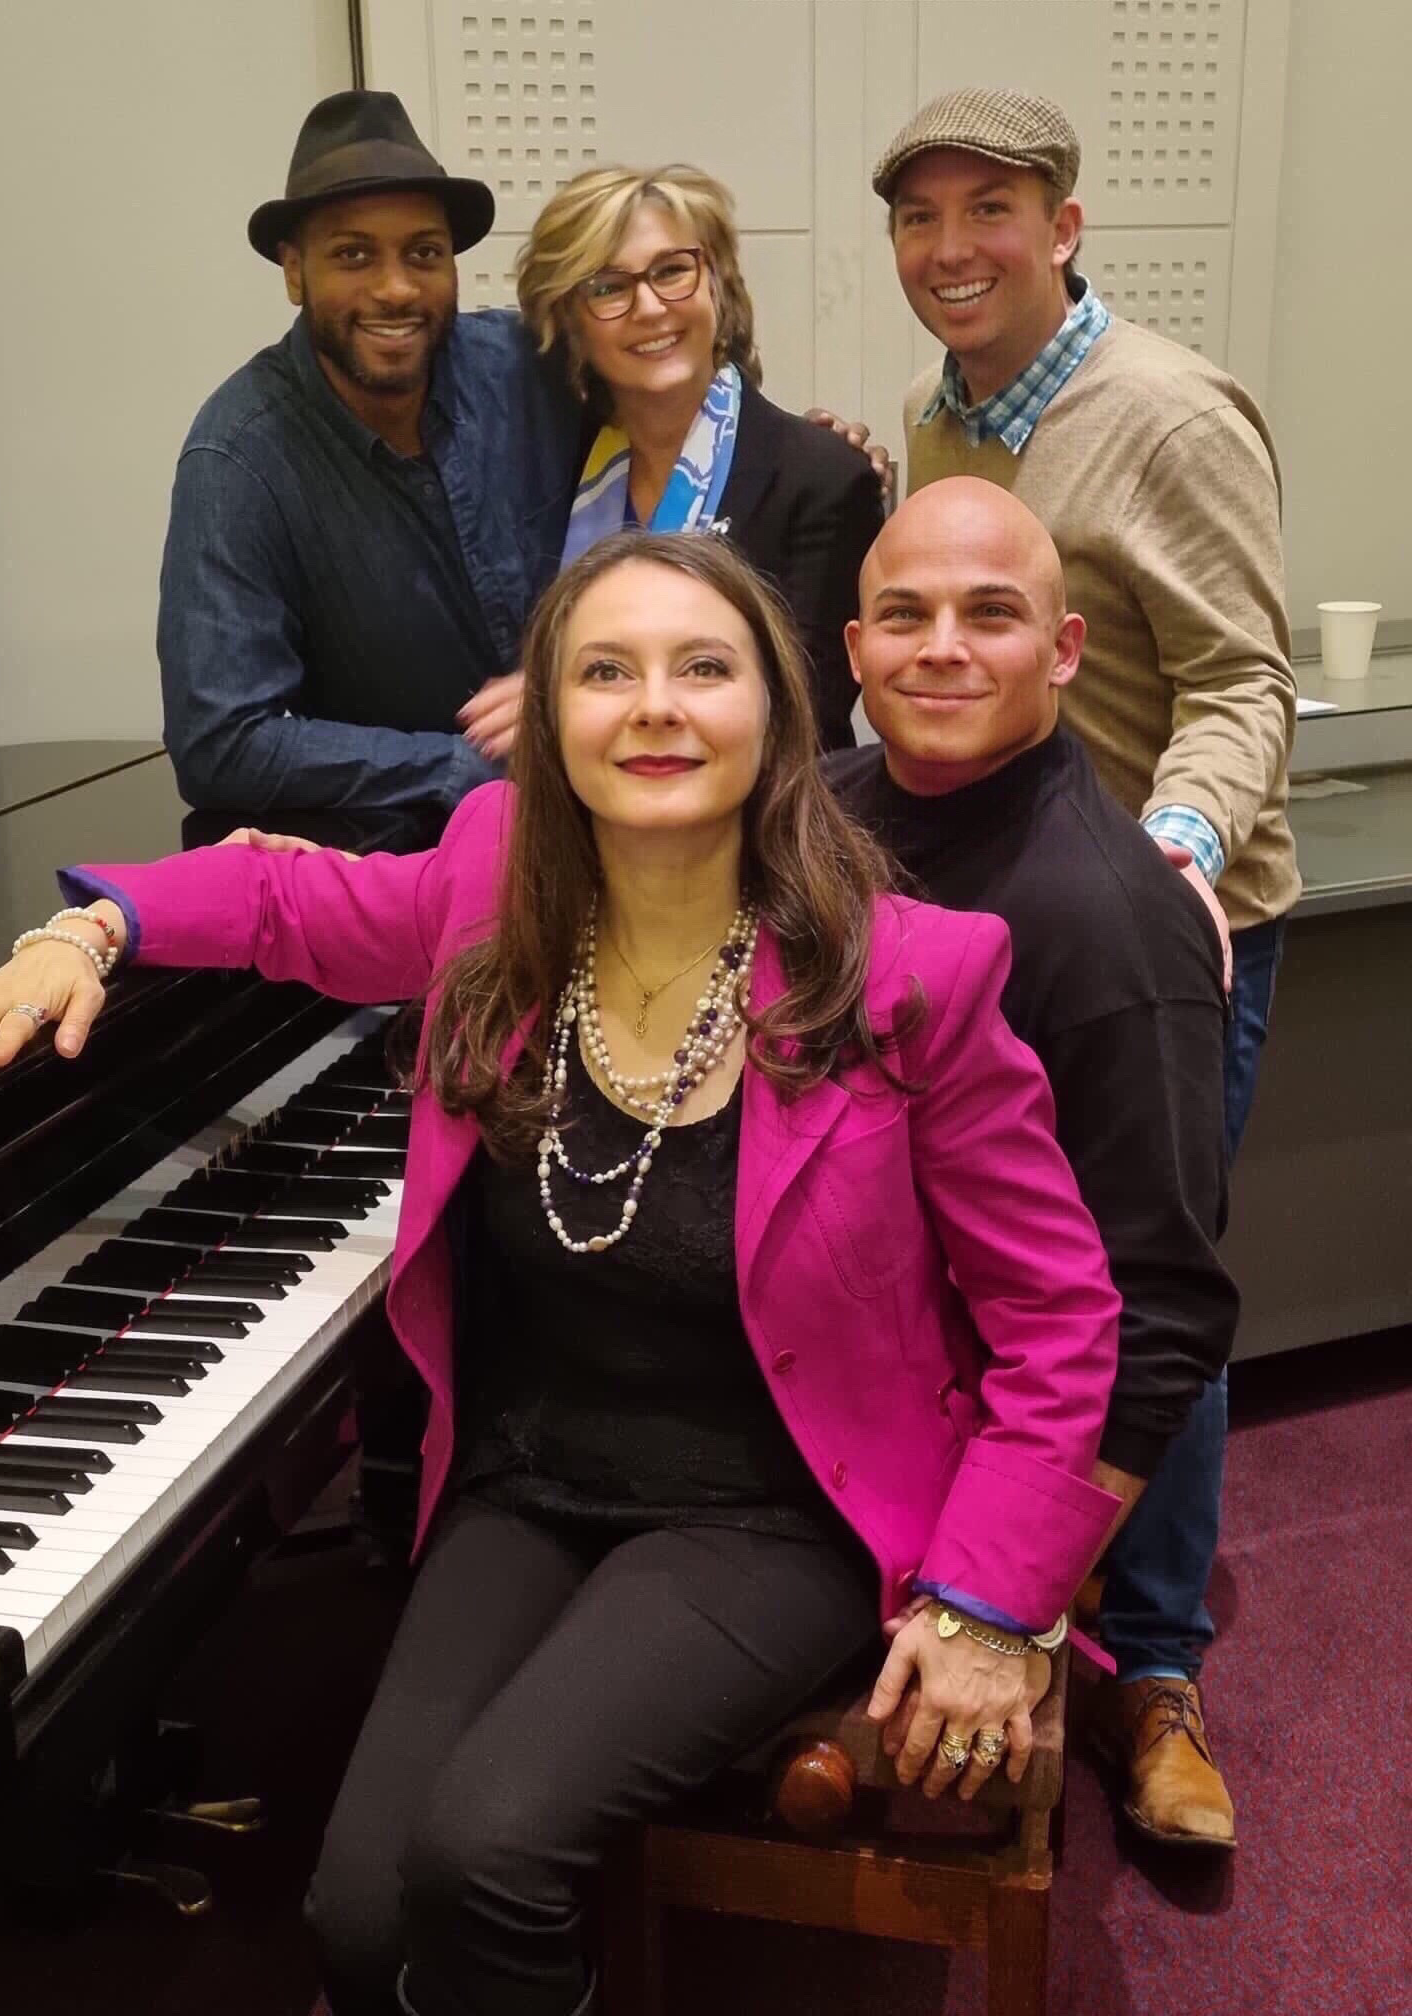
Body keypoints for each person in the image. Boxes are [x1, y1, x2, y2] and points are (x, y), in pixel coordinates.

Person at [0, 532, 1121, 2016]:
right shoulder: (490, 884)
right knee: (358, 1918)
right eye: (606, 671)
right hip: (532, 1477)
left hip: (774, 1506)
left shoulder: (915, 973)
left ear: (780, 717)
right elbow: (289, 907)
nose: (655, 707)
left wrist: (994, 1602)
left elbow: (1059, 1313)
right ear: (548, 720)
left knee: (486, 1857)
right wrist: (90, 929)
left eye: (703, 668)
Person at [858, 84, 1300, 1843]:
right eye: (919, 219)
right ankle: (1003, 1593)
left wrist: (1170, 855)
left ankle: (1161, 1675)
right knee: (1013, 1294)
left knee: (1139, 1298)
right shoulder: (938, 411)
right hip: (995, 924)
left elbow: (1243, 681)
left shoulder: (1168, 413)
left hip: (1157, 935)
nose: (950, 249)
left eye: (990, 211)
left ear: (1064, 225)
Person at [830, 477, 1240, 1846]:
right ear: (853, 651)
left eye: (990, 614)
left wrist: (1004, 1598)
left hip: (966, 1445)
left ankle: (1152, 1677)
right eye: (907, 615)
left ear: (1064, 652)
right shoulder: (809, 817)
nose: (942, 645)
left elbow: (1165, 1315)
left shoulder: (1119, 922)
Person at [157, 88, 581, 822]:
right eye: (354, 255)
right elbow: (221, 742)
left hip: (597, 817)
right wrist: (470, 770)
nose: (395, 288)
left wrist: (800, 445)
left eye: (424, 253)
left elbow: (680, 433)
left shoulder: (528, 366)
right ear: (295, 272)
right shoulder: (237, 457)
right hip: (392, 864)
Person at [511, 164, 884, 753]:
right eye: (608, 287)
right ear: (569, 321)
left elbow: (801, 720)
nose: (651, 307)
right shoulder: (550, 467)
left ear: (718, 283)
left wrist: (550, 703)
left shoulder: (823, 478)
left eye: (672, 271)